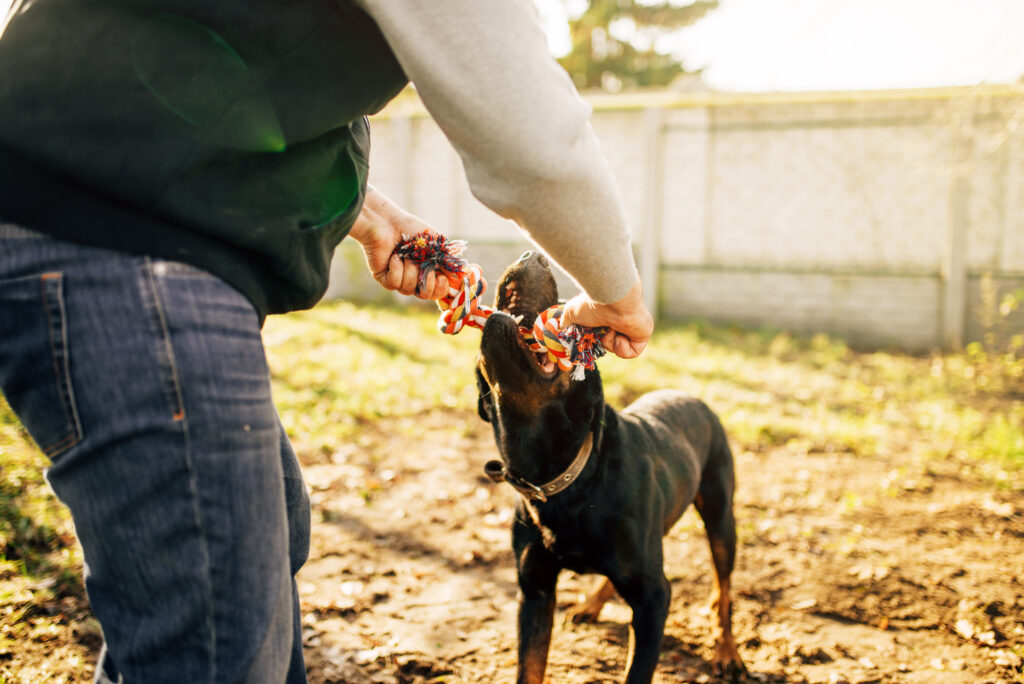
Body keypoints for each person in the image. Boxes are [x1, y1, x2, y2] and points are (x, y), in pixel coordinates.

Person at [0, 0, 654, 681]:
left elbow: (187, 65)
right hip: (123, 251)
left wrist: (363, 211)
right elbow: (530, 136)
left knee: (275, 530)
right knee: (216, 649)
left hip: (91, 228)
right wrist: (619, 294)